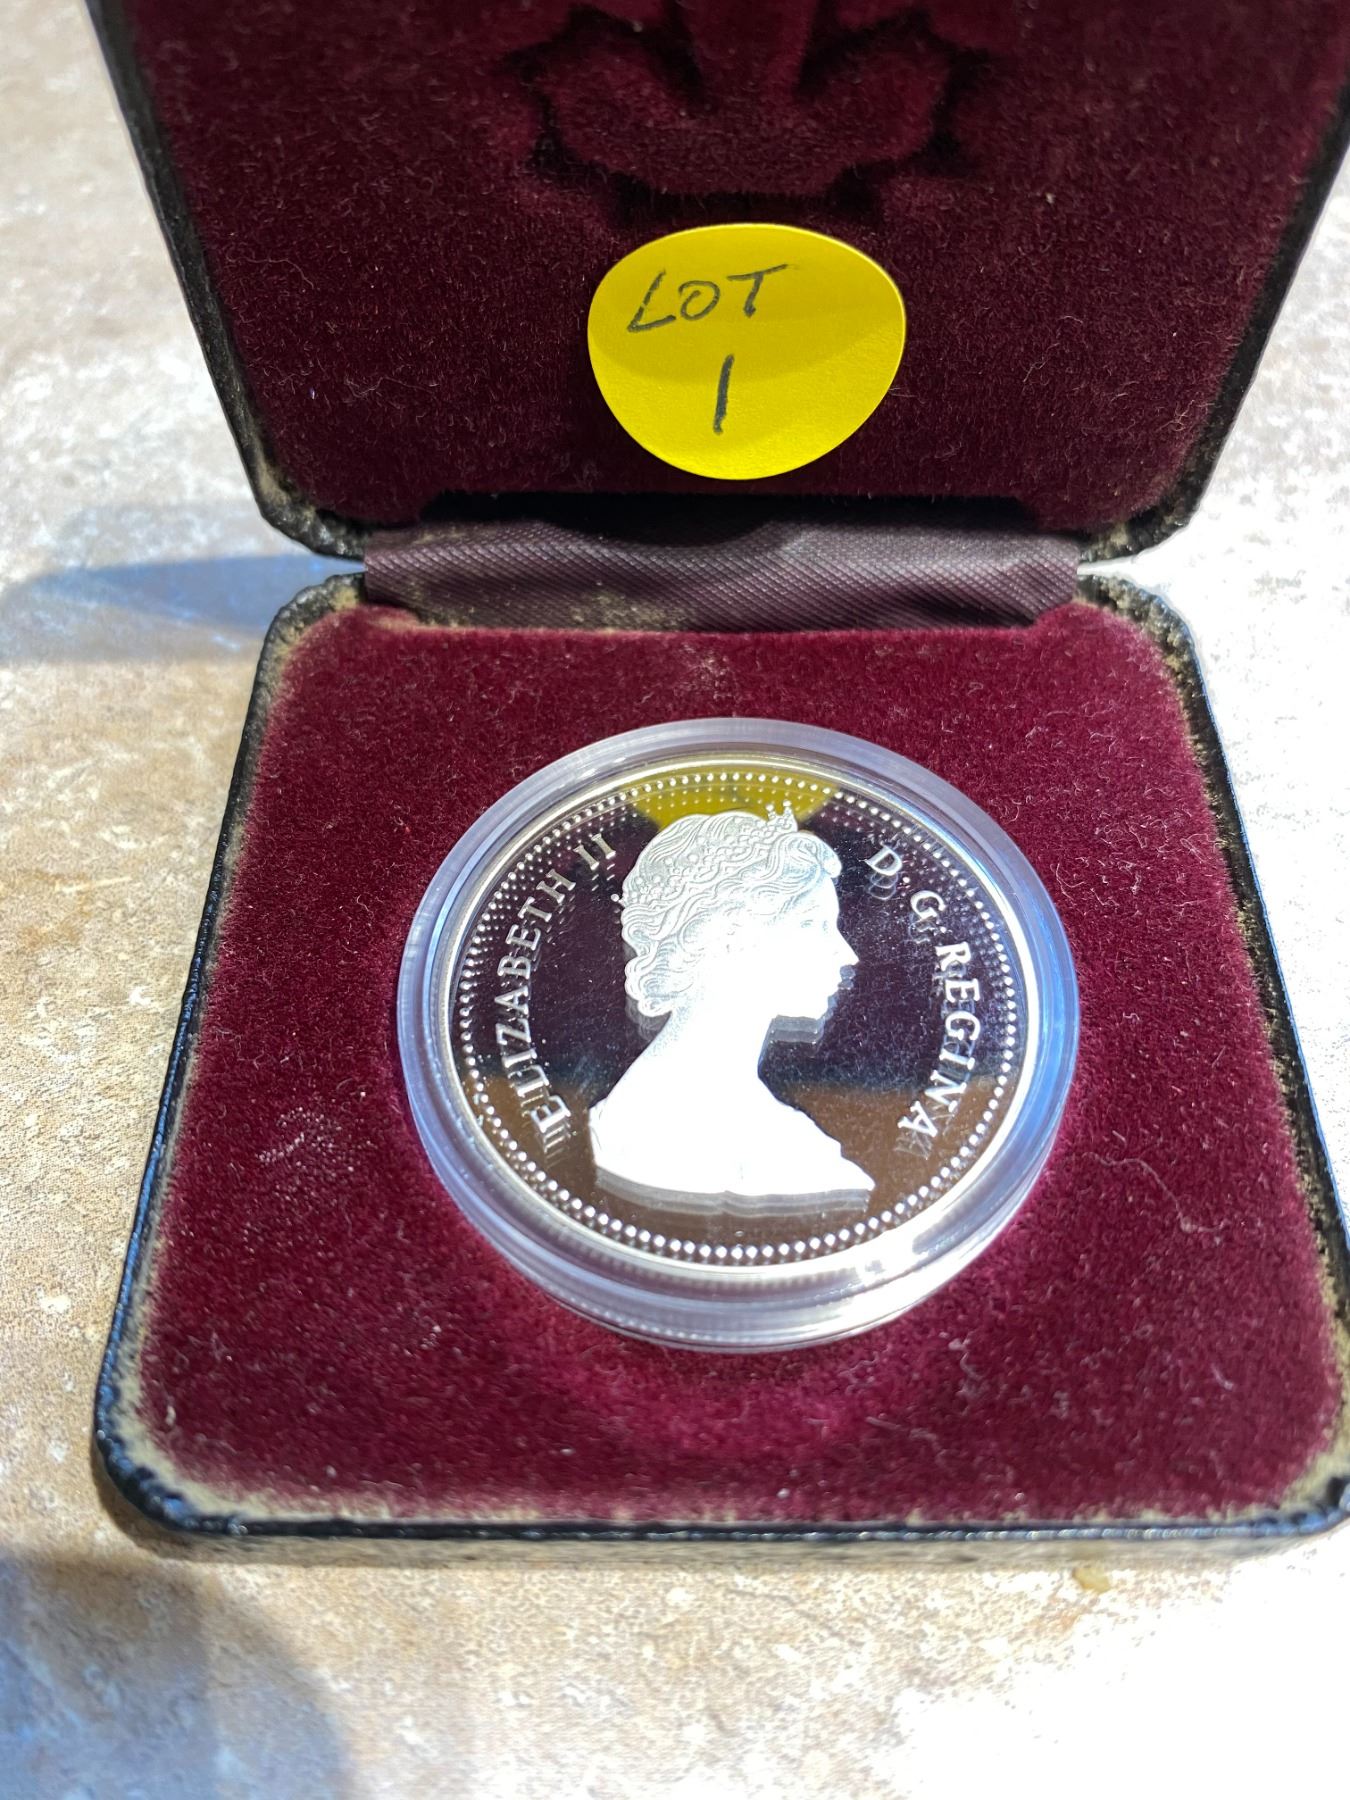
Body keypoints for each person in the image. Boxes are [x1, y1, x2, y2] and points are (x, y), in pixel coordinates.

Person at [589, 804, 873, 1205]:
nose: (846, 954)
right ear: (726, 934)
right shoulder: (655, 1126)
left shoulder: (785, 1134)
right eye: (812, 923)